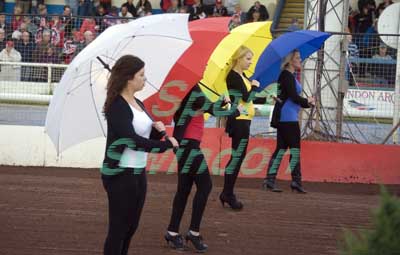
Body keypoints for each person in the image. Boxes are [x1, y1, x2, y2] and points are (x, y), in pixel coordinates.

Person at [101, 55, 179, 255]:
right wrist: (163, 146)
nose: (145, 79)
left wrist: (156, 130)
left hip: (137, 172)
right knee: (118, 228)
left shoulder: (138, 102)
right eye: (141, 75)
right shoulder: (117, 106)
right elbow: (131, 140)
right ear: (129, 78)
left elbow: (143, 134)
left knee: (131, 227)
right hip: (120, 174)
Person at [165, 84, 242, 252]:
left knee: (184, 190)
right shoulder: (194, 90)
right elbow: (216, 111)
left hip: (184, 146)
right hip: (190, 147)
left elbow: (210, 107)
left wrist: (222, 102)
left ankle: (172, 231)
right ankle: (193, 232)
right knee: (205, 185)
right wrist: (233, 107)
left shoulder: (189, 91)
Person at [262, 49, 315, 193]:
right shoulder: (287, 76)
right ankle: (295, 181)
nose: (300, 60)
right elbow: (293, 96)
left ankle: (270, 180)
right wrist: (307, 101)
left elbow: (292, 98)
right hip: (288, 118)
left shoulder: (288, 76)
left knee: (281, 149)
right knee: (294, 150)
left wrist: (306, 103)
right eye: (297, 58)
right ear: (290, 60)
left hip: (286, 117)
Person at [220, 46, 260, 210]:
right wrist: (255, 87)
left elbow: (248, 98)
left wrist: (253, 87)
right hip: (239, 120)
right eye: (248, 59)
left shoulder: (242, 76)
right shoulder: (234, 76)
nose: (250, 62)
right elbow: (247, 96)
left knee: (238, 156)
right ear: (238, 58)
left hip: (244, 120)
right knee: (237, 157)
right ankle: (227, 193)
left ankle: (227, 192)